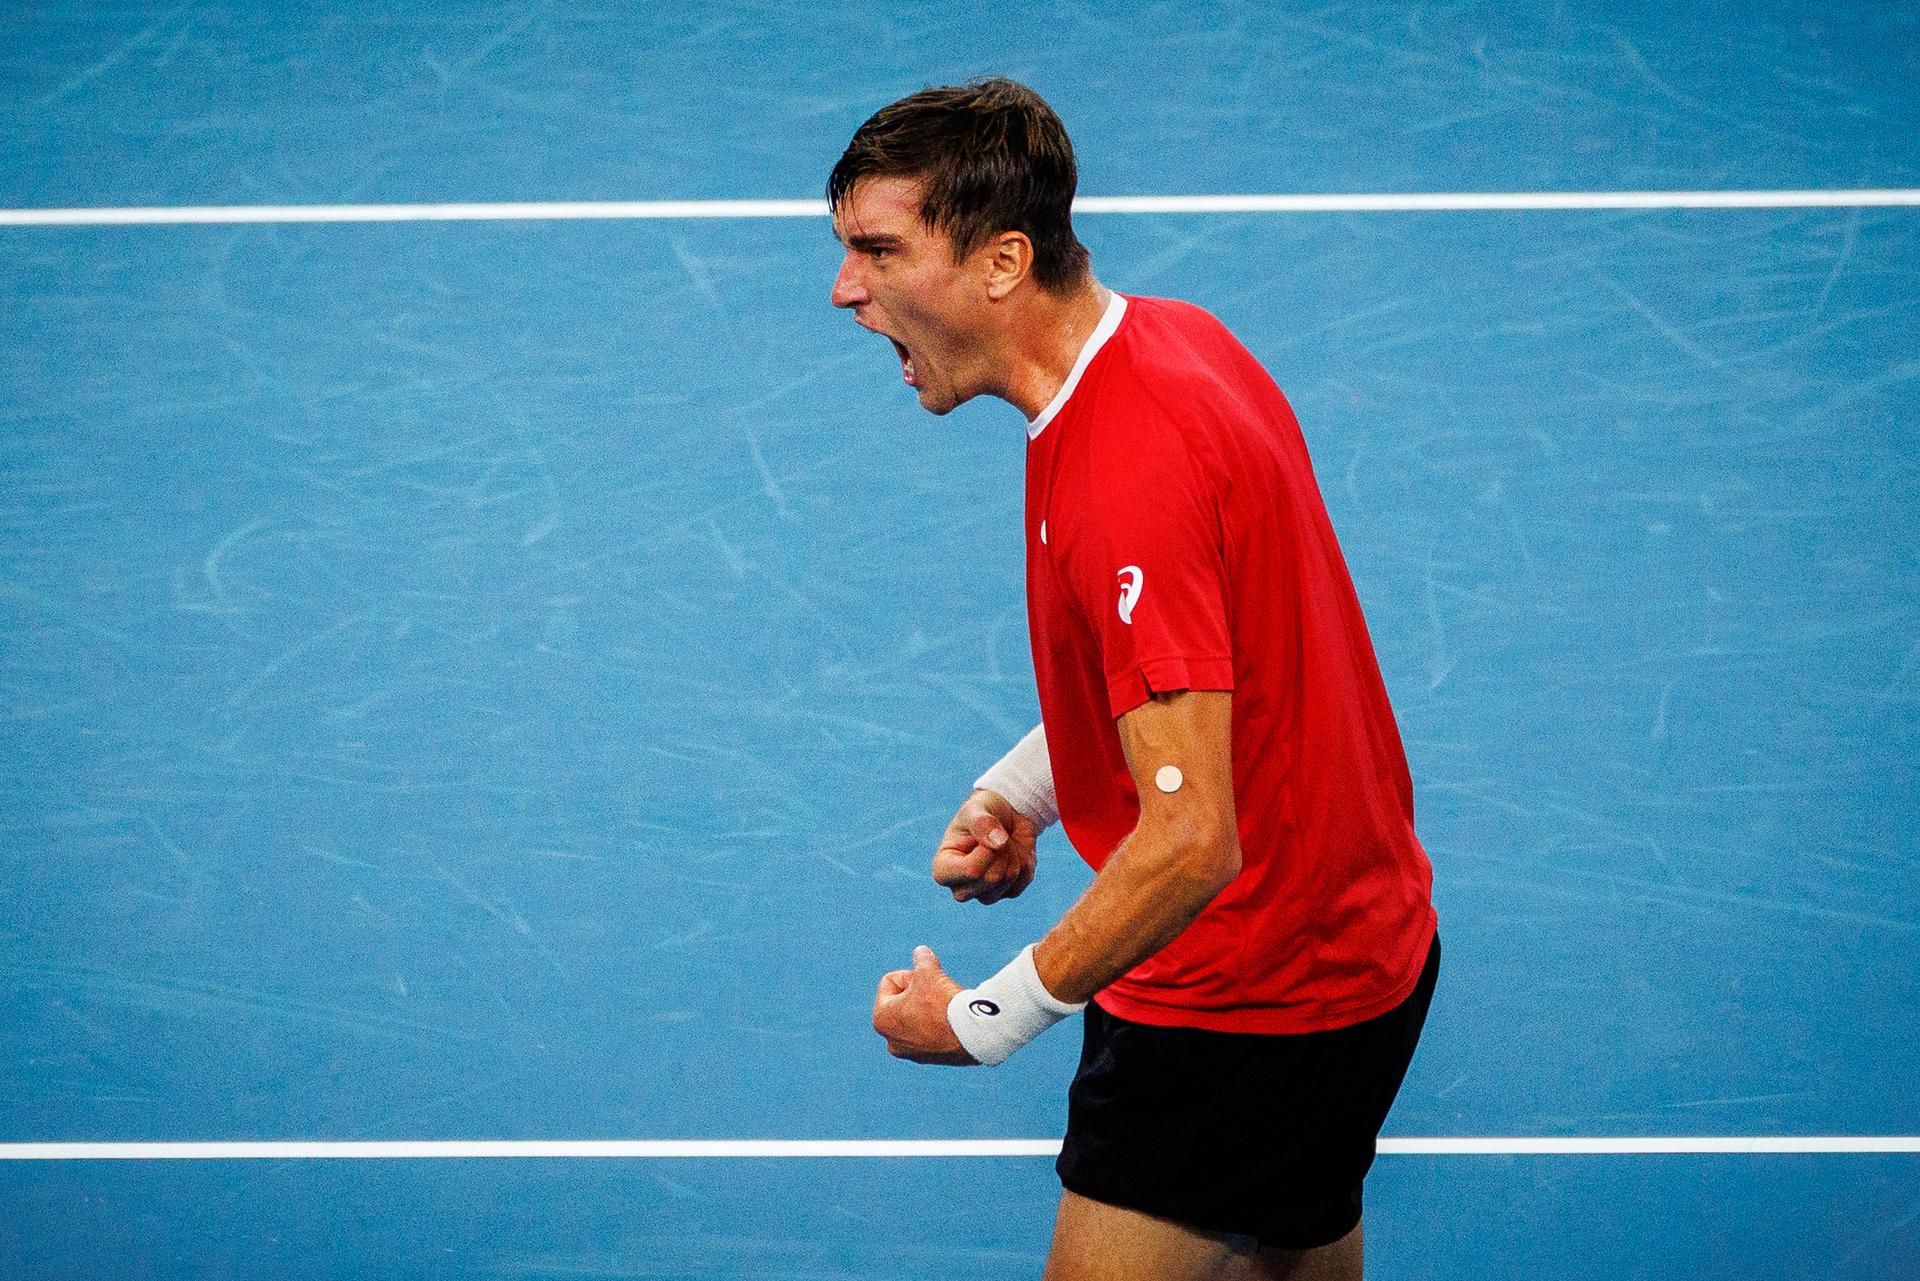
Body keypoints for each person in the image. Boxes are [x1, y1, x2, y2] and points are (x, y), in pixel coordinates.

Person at [833, 78, 1440, 1281]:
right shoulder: (1174, 340)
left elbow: (1190, 840)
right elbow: (1217, 664)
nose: (846, 289)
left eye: (880, 250)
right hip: (1353, 953)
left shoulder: (1126, 475)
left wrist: (980, 1021)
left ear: (1003, 262)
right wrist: (1029, 788)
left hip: (1243, 1006)